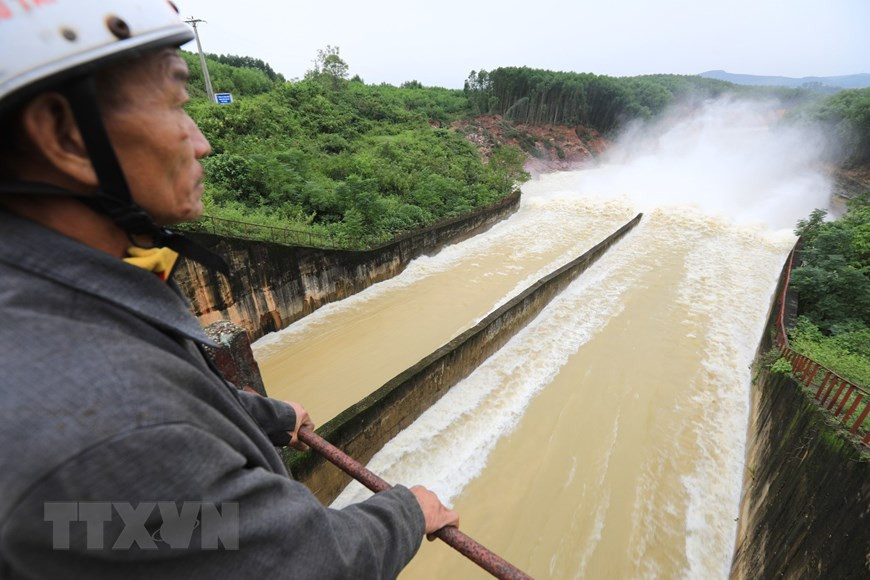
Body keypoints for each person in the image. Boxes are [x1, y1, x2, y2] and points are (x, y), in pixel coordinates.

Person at [0, 1, 458, 578]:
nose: (201, 143)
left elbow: (167, 420)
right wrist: (408, 512)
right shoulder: (111, 433)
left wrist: (266, 414)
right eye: (175, 103)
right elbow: (299, 562)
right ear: (64, 134)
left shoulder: (51, 298)